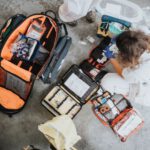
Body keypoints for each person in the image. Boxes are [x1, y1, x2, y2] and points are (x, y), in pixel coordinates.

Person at [101, 30, 150, 106]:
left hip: (146, 94)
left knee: (107, 81)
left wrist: (112, 58)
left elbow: (123, 74)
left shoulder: (135, 73)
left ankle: (129, 94)